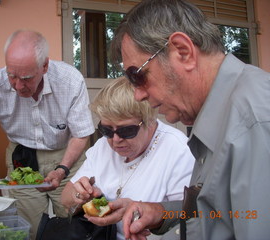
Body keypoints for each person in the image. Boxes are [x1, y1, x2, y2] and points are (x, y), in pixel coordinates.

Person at [110, 0, 270, 239]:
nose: (138, 94)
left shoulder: (252, 122)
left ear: (183, 52)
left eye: (137, 75)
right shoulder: (224, 113)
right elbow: (224, 212)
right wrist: (162, 212)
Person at [0, 29, 95, 239]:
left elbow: (81, 135)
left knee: (74, 221)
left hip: (67, 156)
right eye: (11, 75)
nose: (18, 86)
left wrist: (62, 169)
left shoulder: (70, 80)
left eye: (26, 78)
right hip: (22, 162)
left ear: (44, 66)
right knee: (28, 227)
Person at [61, 77, 195, 240]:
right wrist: (80, 196)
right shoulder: (103, 145)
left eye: (126, 131)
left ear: (149, 121)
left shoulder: (178, 150)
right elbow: (66, 198)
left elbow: (190, 218)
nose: (115, 139)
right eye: (107, 130)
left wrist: (146, 217)